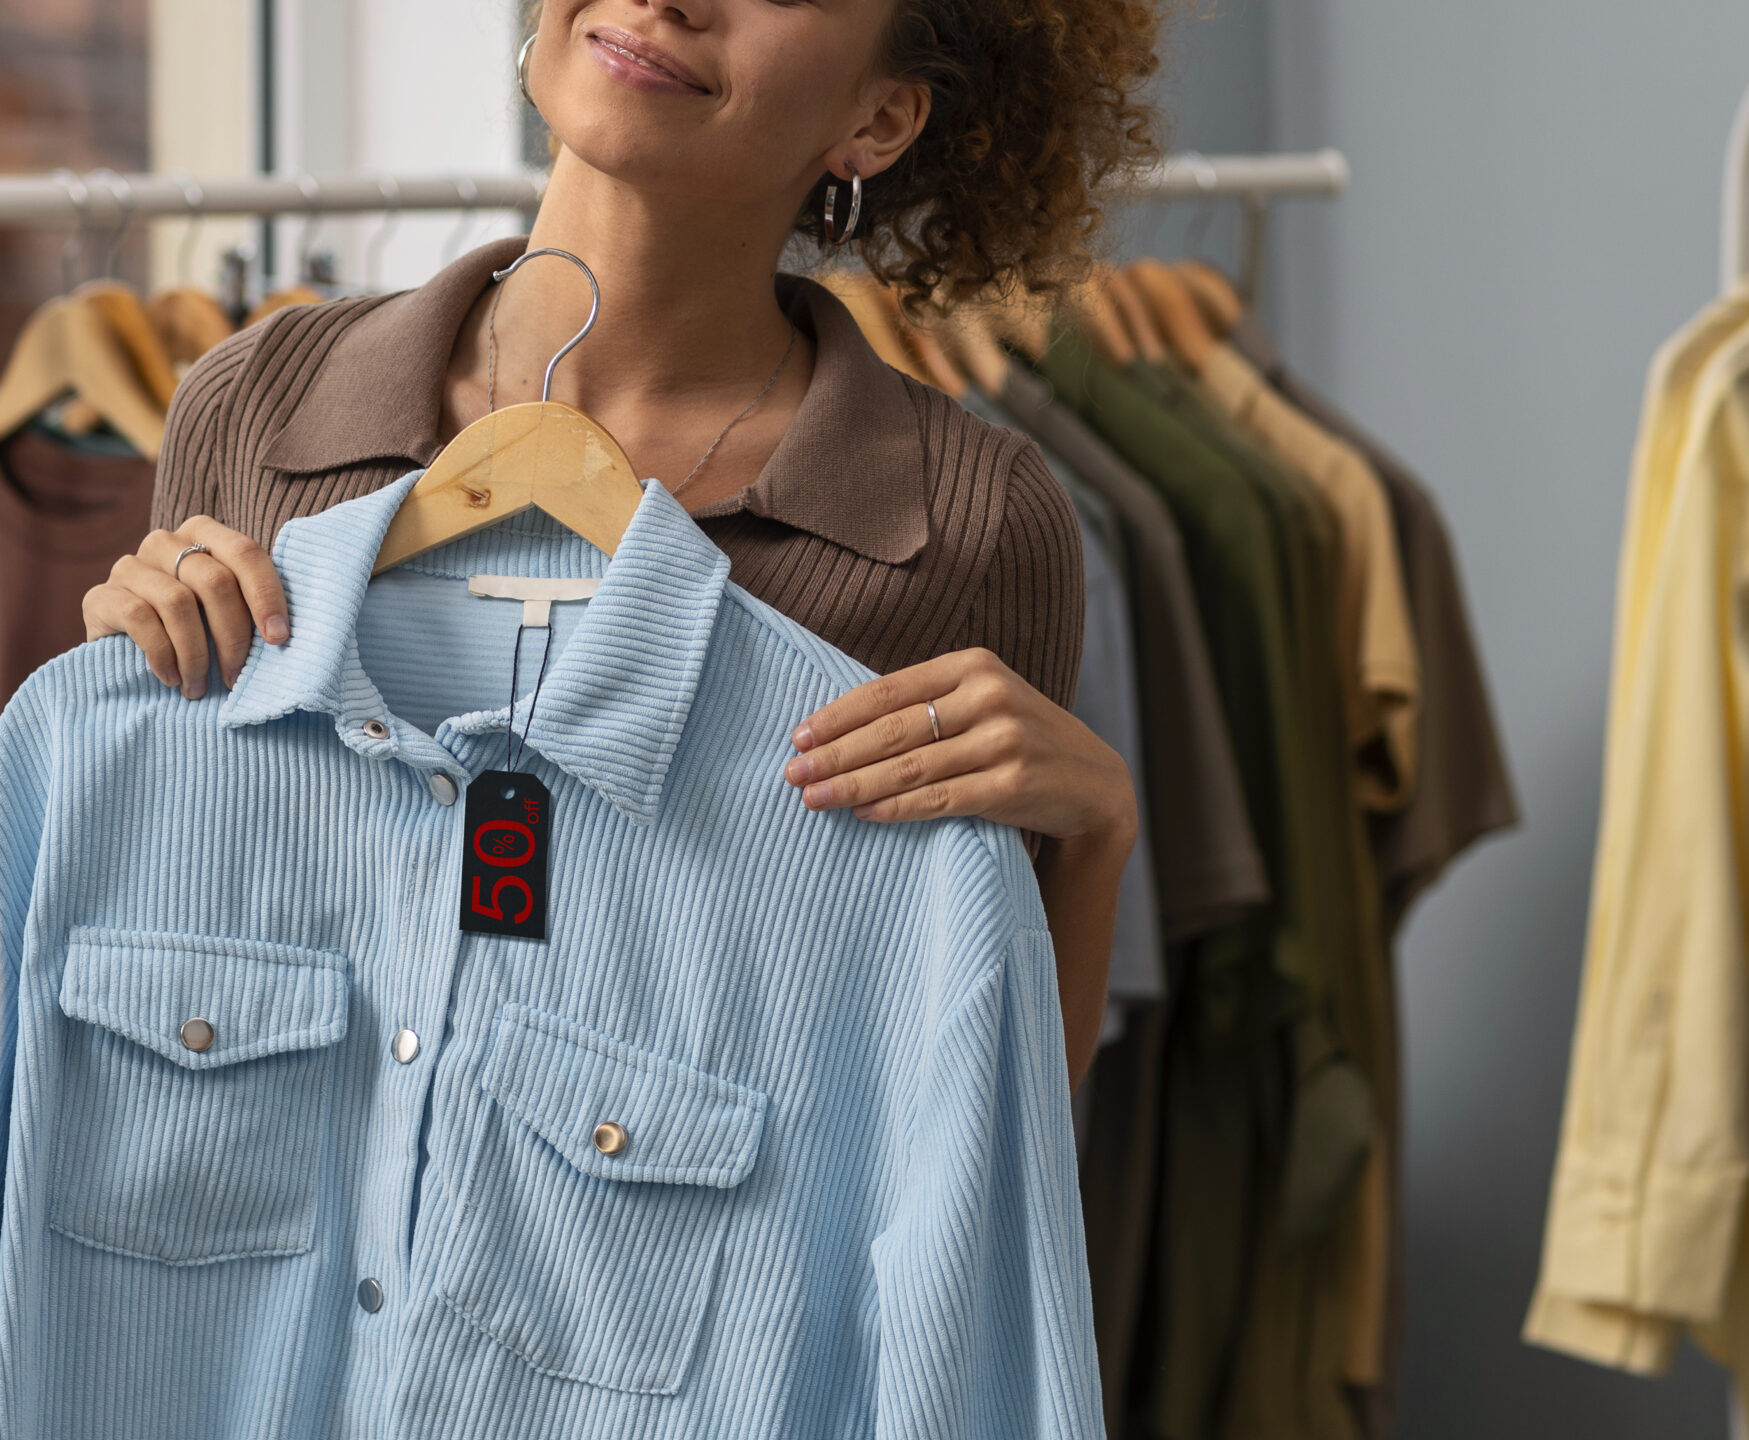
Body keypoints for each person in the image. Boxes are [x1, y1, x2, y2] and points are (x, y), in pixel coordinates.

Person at [78, 0, 1161, 1083]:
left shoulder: (961, 525)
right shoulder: (257, 403)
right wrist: (123, 674)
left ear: (878, 119)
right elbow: (172, 913)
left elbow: (977, 1158)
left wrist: (1095, 838)